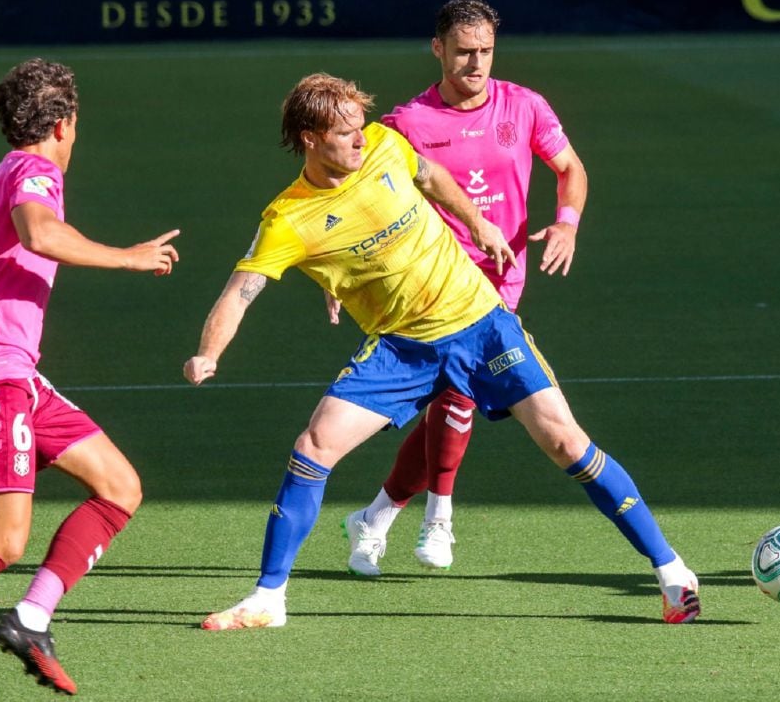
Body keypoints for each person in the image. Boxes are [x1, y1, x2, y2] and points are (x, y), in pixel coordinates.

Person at [183, 72, 699, 629]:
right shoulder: (289, 218)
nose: (360, 139)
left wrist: (478, 222)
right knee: (314, 446)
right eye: (345, 132)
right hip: (401, 350)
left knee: (566, 442)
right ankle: (268, 598)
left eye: (361, 127)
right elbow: (240, 291)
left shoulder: (385, 145)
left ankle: (673, 573)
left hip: (481, 325)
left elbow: (431, 176)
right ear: (309, 138)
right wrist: (208, 353)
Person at [0, 58, 180, 695]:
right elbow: (40, 232)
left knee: (118, 486)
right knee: (1, 542)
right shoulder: (33, 171)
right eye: (75, 124)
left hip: (14, 373)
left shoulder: (3, 173)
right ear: (62, 123)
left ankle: (30, 617)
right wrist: (129, 258)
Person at [341, 0, 589, 575]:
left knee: (450, 402)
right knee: (457, 396)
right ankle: (437, 517)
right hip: (431, 282)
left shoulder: (523, 106)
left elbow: (570, 167)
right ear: (437, 49)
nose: (476, 64)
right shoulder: (407, 123)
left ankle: (378, 516)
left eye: (485, 52)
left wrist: (567, 224)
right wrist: (343, 275)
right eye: (463, 53)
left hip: (504, 278)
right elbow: (358, 196)